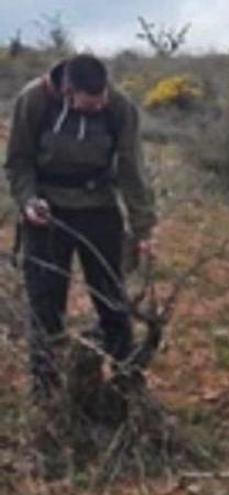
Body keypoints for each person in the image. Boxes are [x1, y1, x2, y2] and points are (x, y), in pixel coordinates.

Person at [4, 54, 157, 397]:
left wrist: (143, 228)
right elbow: (18, 162)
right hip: (47, 212)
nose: (98, 107)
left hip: (100, 209)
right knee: (46, 306)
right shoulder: (34, 100)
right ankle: (47, 393)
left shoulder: (120, 108)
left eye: (101, 101)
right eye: (89, 105)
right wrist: (29, 201)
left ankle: (126, 380)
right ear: (67, 92)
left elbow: (132, 168)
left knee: (112, 299)